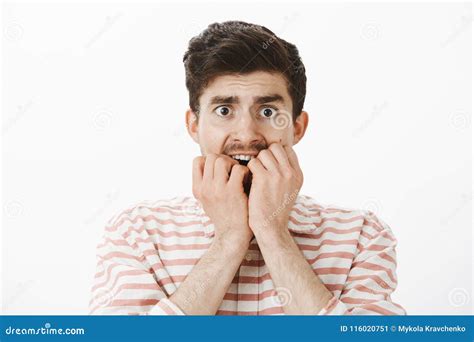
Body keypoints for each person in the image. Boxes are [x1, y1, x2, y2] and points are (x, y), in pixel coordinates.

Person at [89, 20, 405, 315]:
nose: (247, 134)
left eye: (267, 111)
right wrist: (230, 238)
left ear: (297, 127)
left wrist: (272, 232)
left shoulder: (362, 236)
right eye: (224, 109)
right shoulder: (137, 234)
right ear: (194, 125)